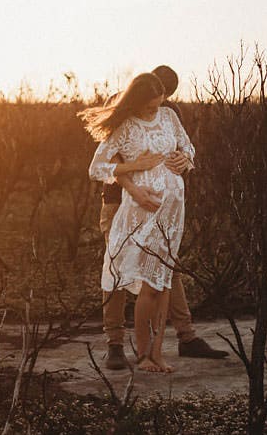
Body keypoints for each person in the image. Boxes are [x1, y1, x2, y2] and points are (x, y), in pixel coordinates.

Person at [92, 63, 225, 371]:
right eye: (158, 96)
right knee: (119, 266)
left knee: (165, 270)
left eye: (166, 97)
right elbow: (112, 161)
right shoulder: (124, 104)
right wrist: (134, 189)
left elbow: (179, 147)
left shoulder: (166, 110)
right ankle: (115, 343)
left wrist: (184, 160)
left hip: (164, 205)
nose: (161, 103)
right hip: (120, 202)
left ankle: (184, 336)